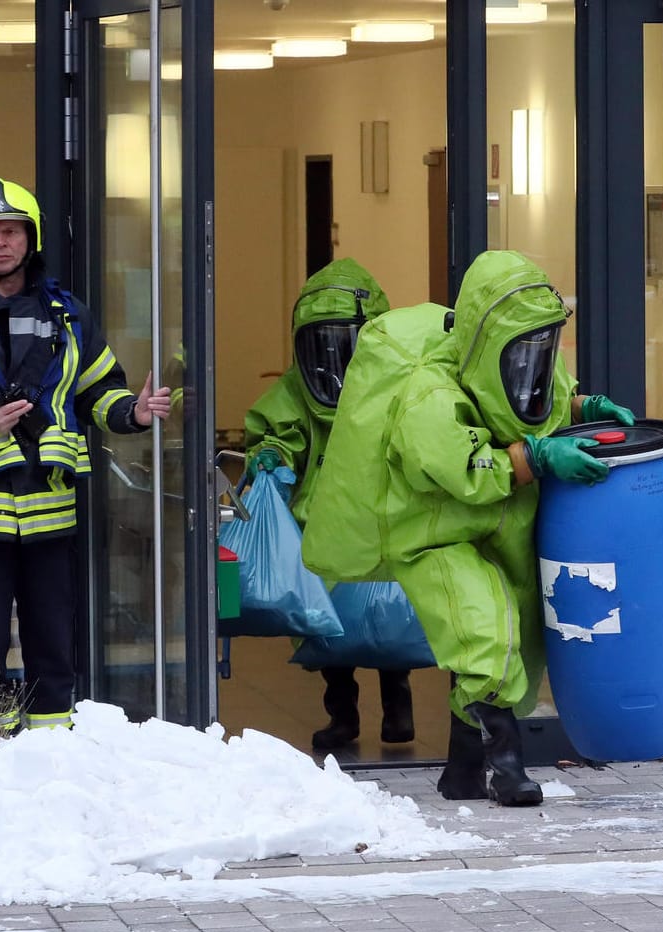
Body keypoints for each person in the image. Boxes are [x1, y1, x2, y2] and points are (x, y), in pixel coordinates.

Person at [301, 251, 635, 807]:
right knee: (484, 629)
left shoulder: (518, 362)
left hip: (500, 525)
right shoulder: (428, 395)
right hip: (431, 533)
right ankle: (507, 768)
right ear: (484, 342)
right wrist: (537, 458)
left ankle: (461, 772)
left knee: (513, 643)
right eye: (522, 350)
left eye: (542, 349)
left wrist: (578, 405)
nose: (536, 363)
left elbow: (532, 396)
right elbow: (463, 470)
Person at [0, 178, 172, 731]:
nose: (1, 243)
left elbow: (99, 390)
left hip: (51, 516)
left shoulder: (69, 317)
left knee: (54, 648)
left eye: (12, 232)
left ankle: (54, 757)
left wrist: (133, 414)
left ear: (32, 239)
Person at [242, 258, 413, 752]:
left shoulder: (398, 384)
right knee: (330, 621)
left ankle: (392, 702)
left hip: (378, 516)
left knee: (387, 615)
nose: (335, 361)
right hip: (327, 523)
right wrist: (270, 455)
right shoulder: (297, 390)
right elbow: (279, 429)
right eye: (323, 345)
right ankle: (346, 713)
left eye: (348, 344)